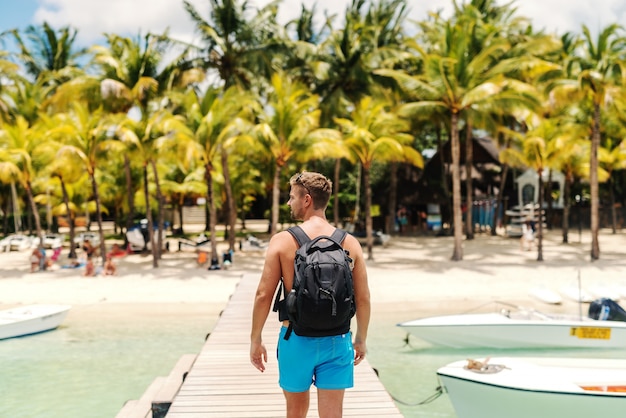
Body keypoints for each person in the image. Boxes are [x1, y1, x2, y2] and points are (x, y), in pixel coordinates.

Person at [250, 171, 371, 418]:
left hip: (296, 339)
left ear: (306, 200)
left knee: (295, 412)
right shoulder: (349, 243)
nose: (288, 202)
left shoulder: (283, 241)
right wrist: (361, 338)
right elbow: (364, 298)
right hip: (337, 340)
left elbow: (264, 294)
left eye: (292, 197)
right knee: (332, 414)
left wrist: (256, 338)